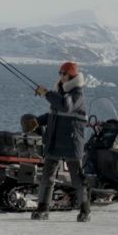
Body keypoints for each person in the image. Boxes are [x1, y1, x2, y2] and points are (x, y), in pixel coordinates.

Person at [31, 61, 91, 222]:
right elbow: (54, 115)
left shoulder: (77, 94)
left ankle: (85, 211)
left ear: (71, 76)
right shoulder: (60, 92)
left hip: (71, 142)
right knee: (46, 177)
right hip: (55, 141)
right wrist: (38, 121)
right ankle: (42, 209)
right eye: (60, 73)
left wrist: (47, 93)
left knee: (77, 178)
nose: (61, 76)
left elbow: (66, 106)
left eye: (64, 74)